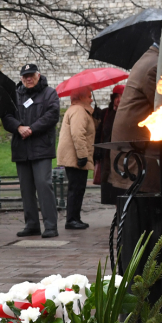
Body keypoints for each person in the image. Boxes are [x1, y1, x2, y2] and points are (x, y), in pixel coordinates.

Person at [2, 64, 61, 238]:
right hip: (21, 149)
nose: (28, 79)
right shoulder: (14, 95)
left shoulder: (49, 93)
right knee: (26, 189)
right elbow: (6, 116)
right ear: (21, 78)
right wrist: (18, 127)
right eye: (25, 76)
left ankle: (50, 226)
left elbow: (52, 115)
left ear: (38, 75)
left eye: (31, 75)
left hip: (42, 148)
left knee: (44, 185)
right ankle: (32, 224)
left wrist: (32, 129)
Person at [110, 44, 159, 193]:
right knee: (141, 198)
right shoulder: (154, 65)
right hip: (137, 152)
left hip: (132, 151)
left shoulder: (148, 60)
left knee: (133, 199)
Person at [57, 87, 96, 230]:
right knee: (76, 188)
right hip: (75, 156)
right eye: (89, 96)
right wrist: (82, 155)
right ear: (81, 97)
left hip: (74, 155)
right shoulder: (79, 110)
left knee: (78, 187)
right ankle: (72, 219)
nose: (91, 99)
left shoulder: (79, 110)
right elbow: (78, 134)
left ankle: (75, 218)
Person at [93, 84, 124, 205]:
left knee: (122, 185)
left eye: (121, 96)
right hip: (107, 156)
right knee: (111, 186)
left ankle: (121, 210)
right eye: (117, 96)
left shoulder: (127, 112)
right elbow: (99, 133)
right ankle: (117, 210)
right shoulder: (106, 113)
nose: (119, 99)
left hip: (122, 155)